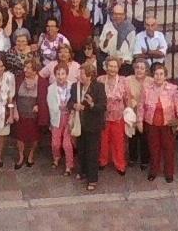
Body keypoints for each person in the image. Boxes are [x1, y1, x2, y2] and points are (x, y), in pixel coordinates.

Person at [139, 62, 178, 183]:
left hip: (167, 123)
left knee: (169, 149)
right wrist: (139, 121)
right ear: (153, 76)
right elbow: (141, 106)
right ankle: (154, 171)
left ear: (165, 76)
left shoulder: (172, 89)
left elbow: (177, 105)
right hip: (152, 123)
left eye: (161, 74)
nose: (158, 76)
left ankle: (169, 172)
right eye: (156, 74)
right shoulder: (147, 89)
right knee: (153, 149)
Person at [71, 59, 107, 192]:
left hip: (93, 125)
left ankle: (92, 179)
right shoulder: (75, 87)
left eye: (82, 74)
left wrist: (91, 105)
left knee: (92, 152)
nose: (79, 76)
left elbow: (103, 106)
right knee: (81, 150)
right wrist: (74, 105)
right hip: (80, 123)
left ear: (89, 75)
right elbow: (70, 101)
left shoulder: (98, 87)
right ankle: (83, 171)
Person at [97, 56, 129, 174]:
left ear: (118, 68)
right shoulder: (100, 79)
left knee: (118, 142)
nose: (112, 69)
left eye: (115, 66)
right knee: (103, 141)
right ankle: (103, 161)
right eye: (110, 66)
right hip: (103, 116)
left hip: (118, 117)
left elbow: (127, 98)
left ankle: (120, 164)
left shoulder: (123, 80)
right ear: (106, 67)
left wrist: (129, 112)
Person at [46, 62, 76, 175]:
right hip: (56, 117)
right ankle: (56, 157)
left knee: (67, 143)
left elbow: (74, 100)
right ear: (55, 75)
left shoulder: (72, 86)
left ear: (67, 74)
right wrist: (58, 107)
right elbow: (50, 103)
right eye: (58, 74)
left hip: (69, 117)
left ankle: (69, 165)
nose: (60, 76)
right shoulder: (51, 88)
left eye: (63, 74)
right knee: (55, 143)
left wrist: (69, 109)